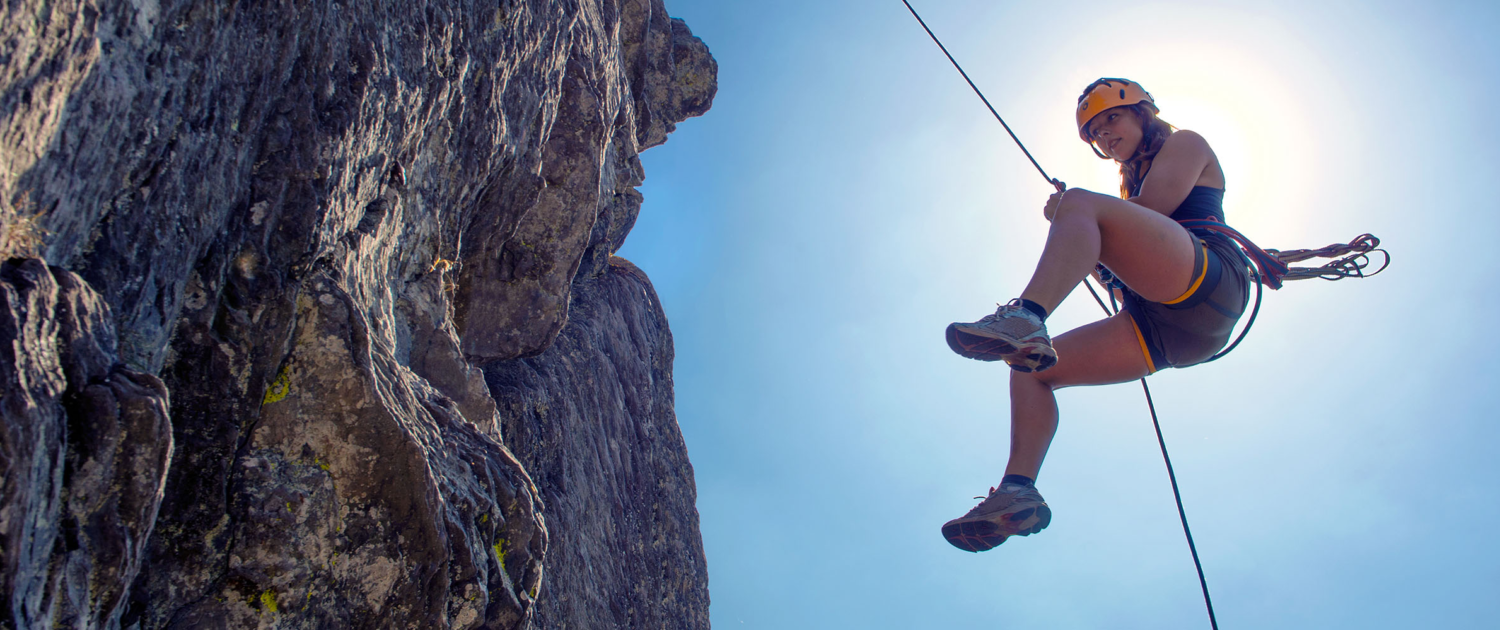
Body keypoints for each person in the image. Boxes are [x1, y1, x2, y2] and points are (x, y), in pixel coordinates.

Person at [939, 78, 1251, 552]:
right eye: (1095, 132)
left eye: (1113, 118)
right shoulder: (1129, 193)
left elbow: (1157, 212)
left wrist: (1076, 214)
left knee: (1080, 200)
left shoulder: (1188, 143)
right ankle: (1016, 492)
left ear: (1143, 114)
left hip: (1210, 283)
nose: (1105, 134)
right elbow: (1117, 267)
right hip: (1169, 327)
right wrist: (1083, 227)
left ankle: (1026, 316)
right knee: (1029, 371)